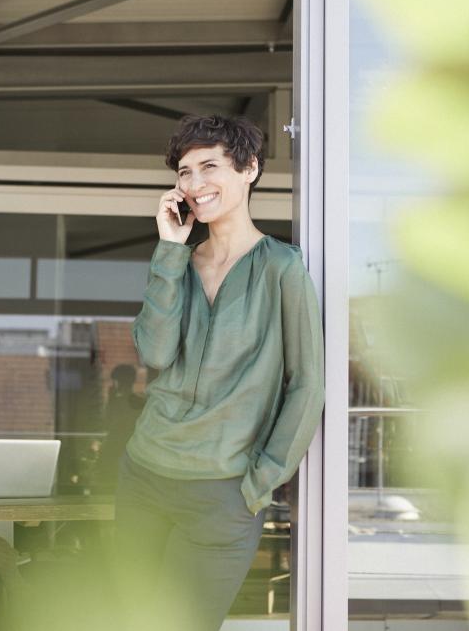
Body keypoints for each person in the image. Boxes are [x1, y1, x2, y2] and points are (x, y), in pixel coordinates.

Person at [113, 115, 325, 631]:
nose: (193, 183)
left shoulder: (282, 268)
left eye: (209, 166)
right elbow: (156, 352)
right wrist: (168, 247)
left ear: (249, 169)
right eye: (184, 172)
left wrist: (260, 482)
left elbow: (308, 383)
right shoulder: (177, 264)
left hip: (223, 493)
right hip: (144, 475)